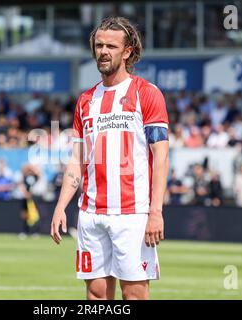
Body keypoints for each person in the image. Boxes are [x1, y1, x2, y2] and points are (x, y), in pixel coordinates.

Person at [50, 17, 169, 300]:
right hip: (91, 214)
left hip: (133, 214)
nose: (103, 51)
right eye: (99, 45)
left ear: (127, 51)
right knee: (96, 295)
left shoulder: (146, 93)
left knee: (135, 295)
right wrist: (60, 206)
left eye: (111, 46)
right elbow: (77, 159)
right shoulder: (86, 100)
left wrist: (155, 212)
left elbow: (161, 157)